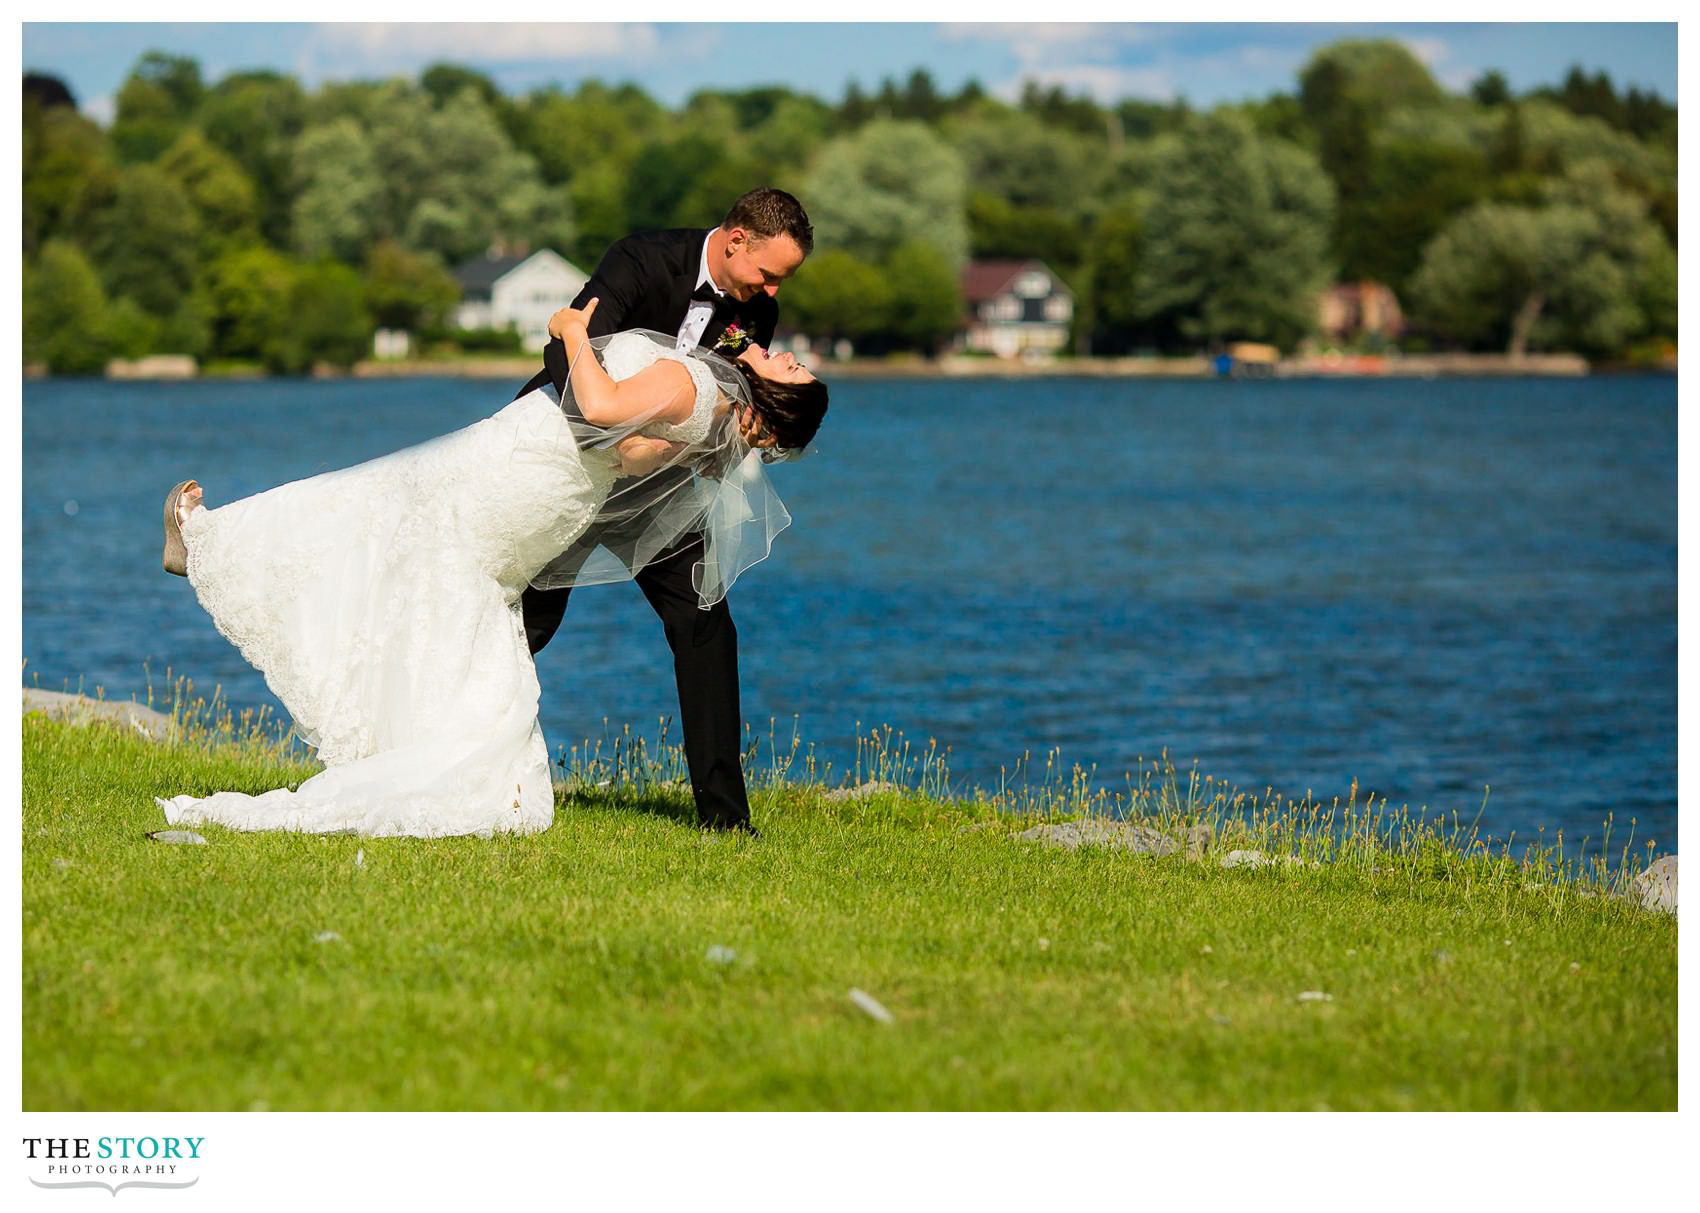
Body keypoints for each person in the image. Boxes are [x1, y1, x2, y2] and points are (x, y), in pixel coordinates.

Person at [154, 296, 827, 839]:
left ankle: (210, 543)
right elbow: (629, 456)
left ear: (774, 404)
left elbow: (595, 407)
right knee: (445, 576)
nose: (791, 356)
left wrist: (569, 331)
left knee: (372, 501)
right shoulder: (708, 421)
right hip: (545, 492)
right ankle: (425, 755)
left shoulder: (697, 386)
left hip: (514, 468)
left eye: (795, 372)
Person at [515, 188, 814, 837]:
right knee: (528, 620)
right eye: (768, 273)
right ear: (736, 239)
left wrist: (711, 453)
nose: (771, 292)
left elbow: (738, 399)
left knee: (707, 623)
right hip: (575, 466)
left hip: (663, 486)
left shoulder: (756, 311)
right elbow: (565, 351)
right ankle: (474, 764)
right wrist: (614, 451)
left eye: (781, 282)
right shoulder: (644, 258)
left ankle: (724, 817)